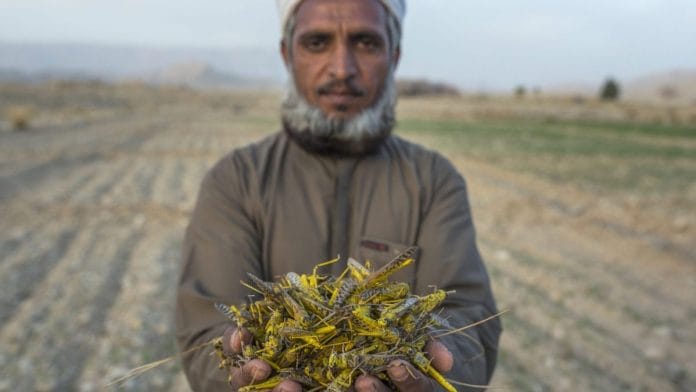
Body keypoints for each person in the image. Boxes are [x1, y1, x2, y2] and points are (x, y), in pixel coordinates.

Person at [175, 0, 501, 390]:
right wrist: (237, 371)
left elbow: (470, 318)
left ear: (393, 56)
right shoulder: (236, 181)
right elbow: (205, 328)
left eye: (365, 43)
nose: (342, 68)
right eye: (317, 42)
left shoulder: (433, 181)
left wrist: (439, 366)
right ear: (287, 54)